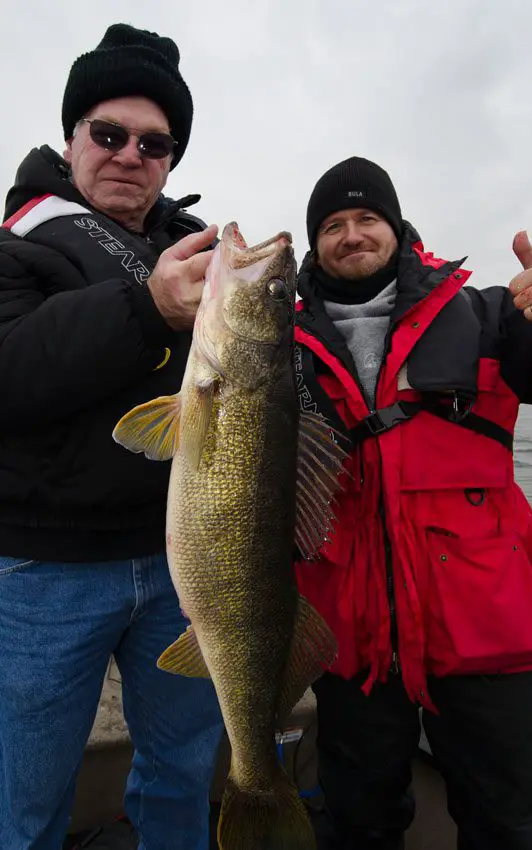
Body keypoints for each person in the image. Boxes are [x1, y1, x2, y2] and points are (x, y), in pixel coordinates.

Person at [293, 156, 532, 849]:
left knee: (512, 823)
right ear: (313, 243)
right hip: (349, 642)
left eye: (365, 219)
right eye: (330, 226)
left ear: (397, 228)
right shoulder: (276, 350)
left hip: (489, 632)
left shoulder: (492, 314)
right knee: (359, 823)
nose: (350, 235)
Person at [0, 23, 225, 850]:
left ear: (171, 160)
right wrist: (146, 309)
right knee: (25, 800)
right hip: (43, 577)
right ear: (71, 138)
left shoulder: (196, 259)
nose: (130, 154)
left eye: (155, 143)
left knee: (180, 773)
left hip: (183, 571)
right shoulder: (15, 249)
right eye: (108, 133)